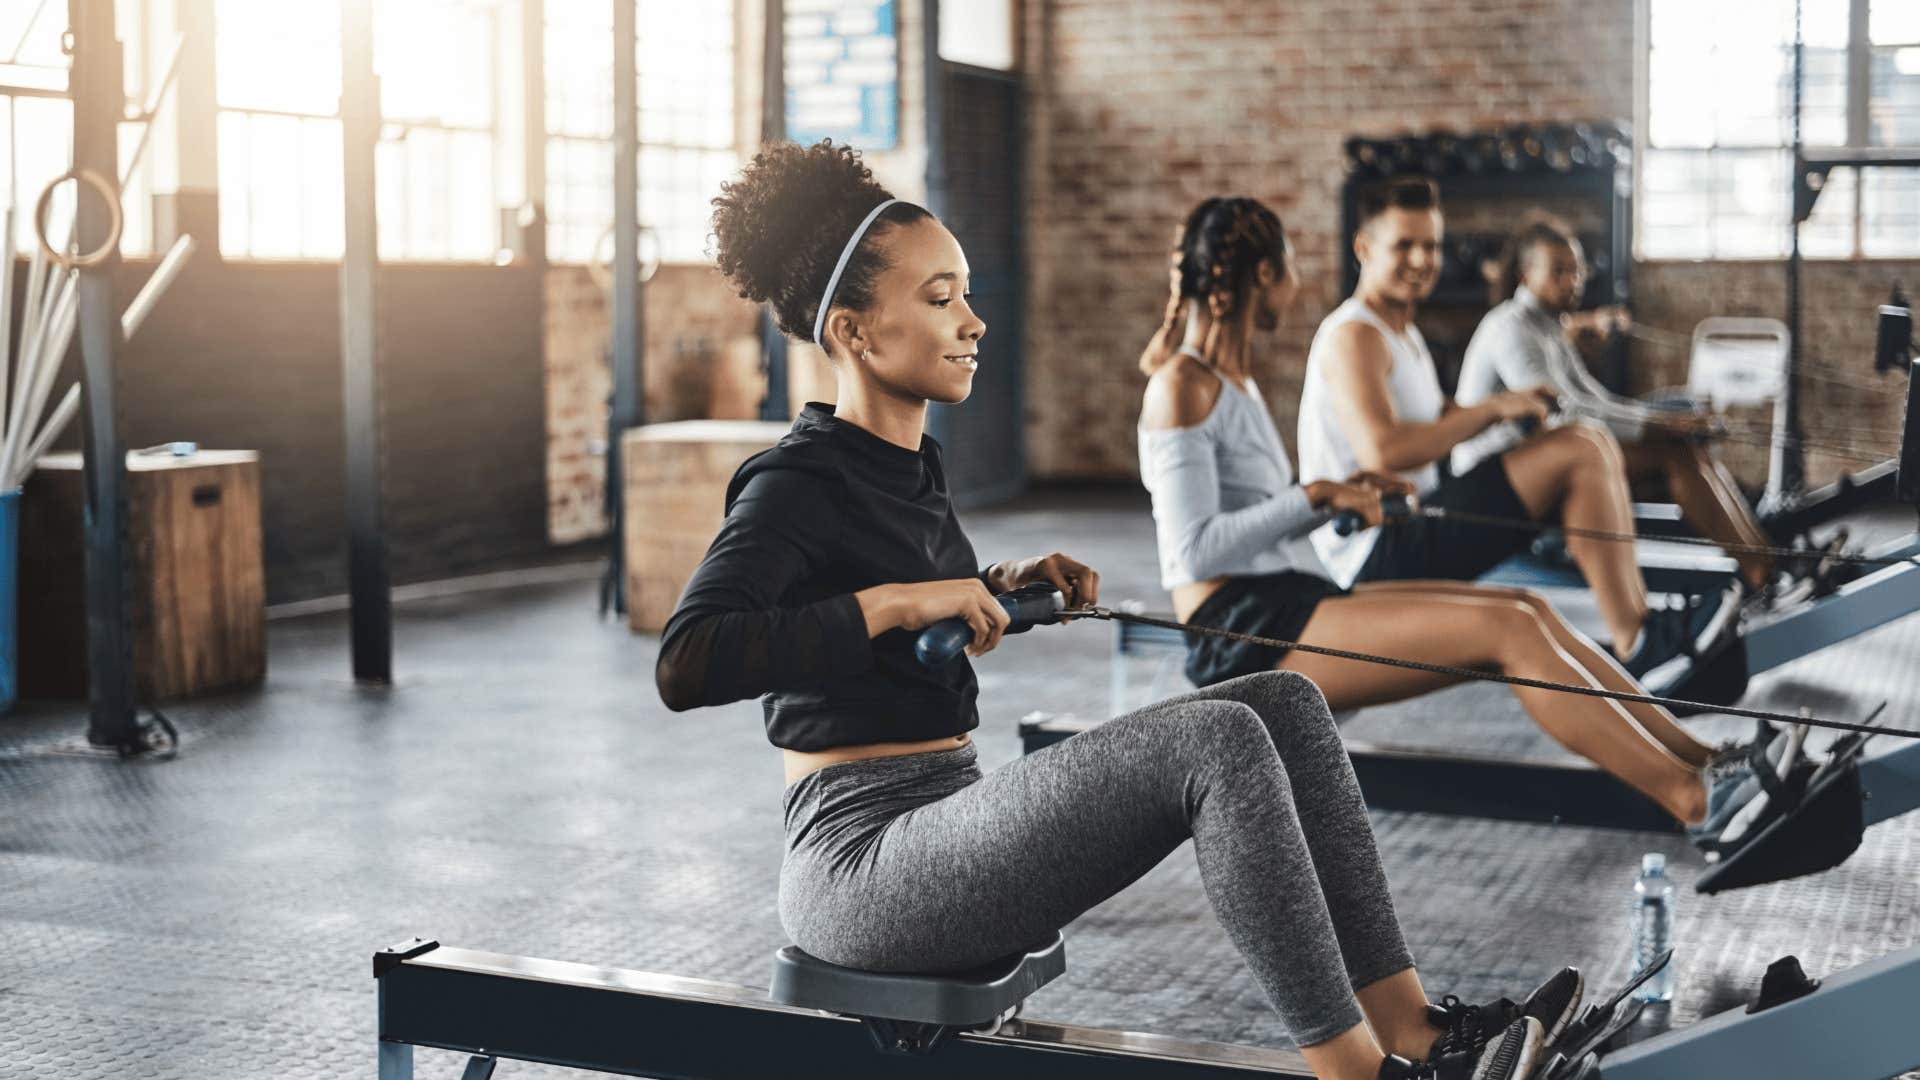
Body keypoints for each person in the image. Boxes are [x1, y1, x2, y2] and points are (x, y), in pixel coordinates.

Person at [658, 141, 1572, 1080]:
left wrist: (1005, 583)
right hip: (862, 865)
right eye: (940, 300)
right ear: (854, 334)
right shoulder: (794, 481)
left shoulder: (909, 465)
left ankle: (1416, 1030)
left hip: (945, 811)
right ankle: (1357, 1074)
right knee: (1216, 745)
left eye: (966, 292)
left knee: (1284, 705)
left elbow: (911, 627)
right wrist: (895, 602)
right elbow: (689, 661)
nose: (974, 322)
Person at [1135, 196, 1787, 851]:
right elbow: (1192, 554)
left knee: (1526, 610)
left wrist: (1345, 497)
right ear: (1263, 277)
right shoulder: (1181, 385)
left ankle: (1706, 759)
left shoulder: (1231, 381)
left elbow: (1255, 525)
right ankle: (1698, 802)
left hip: (1281, 600)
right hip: (1239, 632)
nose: (1298, 284)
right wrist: (1316, 495)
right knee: (1506, 632)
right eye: (1291, 269)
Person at [1295, 178, 1733, 680]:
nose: (1421, 260)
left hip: (1419, 514)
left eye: (1432, 246)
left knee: (1582, 444)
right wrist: (1496, 408)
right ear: (1364, 248)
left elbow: (1438, 418)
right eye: (1404, 246)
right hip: (1378, 548)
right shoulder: (1355, 335)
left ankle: (1643, 632)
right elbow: (1384, 452)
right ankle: (1639, 642)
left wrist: (1513, 409)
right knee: (1581, 446)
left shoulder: (1402, 334)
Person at [1454, 212, 1774, 594]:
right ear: (1526, 276)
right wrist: (1663, 426)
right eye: (1558, 271)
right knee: (1673, 454)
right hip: (1494, 482)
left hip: (1542, 459)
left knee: (1684, 446)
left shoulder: (1549, 326)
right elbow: (1564, 412)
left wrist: (1670, 422)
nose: (1572, 282)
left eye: (1576, 271)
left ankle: (1767, 561)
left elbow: (1595, 399)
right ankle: (1763, 574)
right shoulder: (1509, 328)